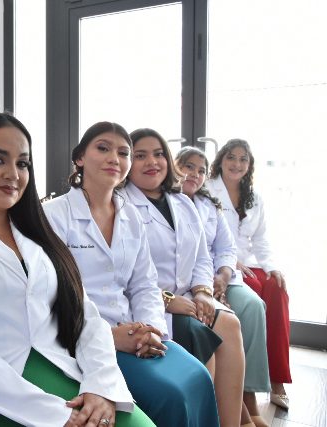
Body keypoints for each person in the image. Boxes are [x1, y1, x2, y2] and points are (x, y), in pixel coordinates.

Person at [0, 111, 154, 427]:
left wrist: (100, 385)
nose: (13, 174)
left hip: (63, 369)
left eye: (23, 163)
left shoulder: (35, 227)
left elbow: (84, 313)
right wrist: (55, 415)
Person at [43, 121, 220, 427]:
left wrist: (151, 330)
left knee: (199, 377)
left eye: (123, 152)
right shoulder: (54, 215)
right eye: (103, 148)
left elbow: (144, 286)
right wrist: (109, 336)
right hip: (81, 339)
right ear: (80, 158)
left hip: (133, 332)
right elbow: (54, 295)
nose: (114, 158)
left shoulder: (131, 216)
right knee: (170, 394)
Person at [124, 128, 245, 427]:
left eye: (158, 154)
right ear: (127, 162)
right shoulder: (120, 204)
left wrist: (203, 291)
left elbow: (203, 256)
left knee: (230, 324)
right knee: (201, 335)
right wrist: (167, 301)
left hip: (190, 295)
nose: (152, 162)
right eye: (140, 155)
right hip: (149, 303)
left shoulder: (182, 202)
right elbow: (125, 274)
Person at [176, 146, 270, 427]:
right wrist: (205, 289)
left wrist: (224, 276)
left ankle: (249, 396)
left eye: (201, 170)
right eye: (188, 166)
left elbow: (226, 248)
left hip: (220, 277)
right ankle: (241, 413)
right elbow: (188, 258)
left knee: (253, 306)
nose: (195, 174)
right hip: (193, 285)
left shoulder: (209, 205)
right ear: (174, 166)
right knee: (224, 321)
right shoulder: (169, 201)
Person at [207, 139, 291, 411]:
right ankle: (247, 384)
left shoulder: (254, 197)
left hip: (250, 263)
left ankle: (278, 379)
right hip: (225, 264)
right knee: (254, 296)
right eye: (231, 157)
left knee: (277, 289)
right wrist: (232, 261)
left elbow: (261, 239)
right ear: (221, 161)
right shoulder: (207, 190)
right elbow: (210, 238)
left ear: (250, 165)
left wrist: (271, 267)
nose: (237, 164)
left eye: (243, 159)